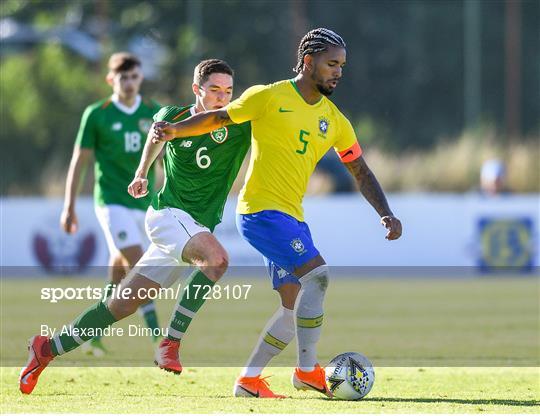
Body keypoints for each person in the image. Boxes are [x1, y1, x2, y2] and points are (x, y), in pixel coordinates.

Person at [151, 28, 403, 399]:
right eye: (332, 64)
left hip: (292, 217)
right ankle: (306, 371)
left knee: (292, 306)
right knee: (318, 275)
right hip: (260, 213)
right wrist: (174, 129)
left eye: (342, 66)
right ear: (308, 62)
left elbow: (360, 170)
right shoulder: (268, 96)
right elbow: (217, 118)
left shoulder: (335, 120)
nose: (338, 72)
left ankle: (248, 381)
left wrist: (386, 213)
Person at [19, 59, 251, 394]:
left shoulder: (238, 123)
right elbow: (157, 135)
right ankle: (169, 343)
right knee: (216, 261)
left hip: (193, 227)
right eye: (214, 90)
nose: (222, 97)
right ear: (196, 90)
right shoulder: (172, 115)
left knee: (119, 306)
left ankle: (45, 349)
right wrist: (142, 172)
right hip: (167, 217)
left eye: (228, 91)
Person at [60, 52, 161, 355]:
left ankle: (93, 337)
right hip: (111, 202)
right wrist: (69, 205)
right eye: (123, 77)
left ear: (141, 77)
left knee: (119, 271)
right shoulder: (97, 113)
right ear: (111, 79)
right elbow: (79, 161)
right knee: (138, 261)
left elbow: (169, 158)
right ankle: (160, 338)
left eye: (134, 76)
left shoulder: (154, 112)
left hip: (144, 204)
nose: (129, 82)